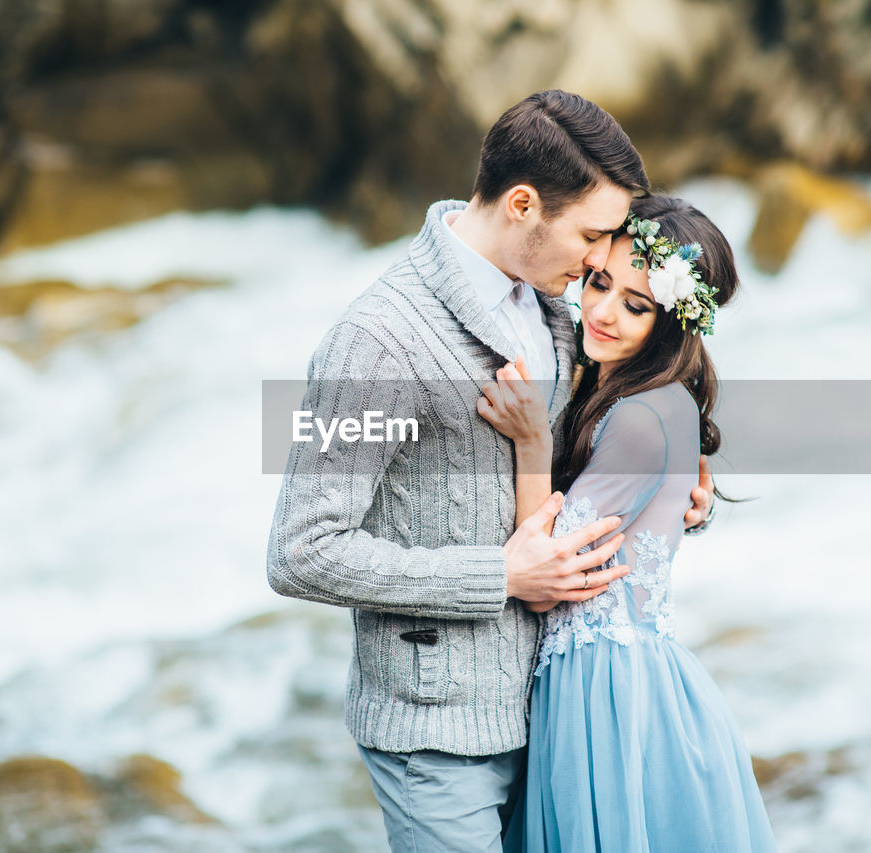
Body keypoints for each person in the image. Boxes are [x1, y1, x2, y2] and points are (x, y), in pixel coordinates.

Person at [266, 91, 715, 852]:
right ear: (521, 205)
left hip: (550, 719)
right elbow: (300, 550)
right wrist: (497, 576)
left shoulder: (558, 316)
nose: (598, 258)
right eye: (590, 234)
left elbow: (579, 476)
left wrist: (672, 492)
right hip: (437, 733)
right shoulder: (373, 341)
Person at [478, 193, 778, 851]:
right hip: (604, 680)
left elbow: (550, 568)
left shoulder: (643, 415)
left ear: (670, 322)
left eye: (636, 305)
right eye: (599, 281)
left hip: (606, 694)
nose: (604, 311)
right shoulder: (633, 396)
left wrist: (531, 442)